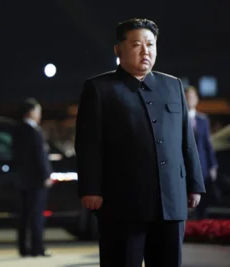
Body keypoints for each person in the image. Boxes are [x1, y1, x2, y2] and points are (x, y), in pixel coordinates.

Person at [75, 18, 205, 267]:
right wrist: (90, 188)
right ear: (118, 50)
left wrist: (194, 184)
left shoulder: (172, 85)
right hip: (122, 201)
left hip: (170, 200)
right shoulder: (100, 89)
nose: (146, 51)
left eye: (151, 44)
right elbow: (88, 143)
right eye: (137, 44)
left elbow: (186, 140)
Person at [12, 98, 54, 257]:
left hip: (22, 180)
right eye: (38, 111)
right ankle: (37, 248)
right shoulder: (33, 131)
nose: (39, 115)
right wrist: (46, 175)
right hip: (36, 181)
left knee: (23, 216)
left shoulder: (17, 130)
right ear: (31, 112)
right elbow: (40, 156)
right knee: (36, 216)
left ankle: (23, 248)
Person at [185, 86, 218, 219]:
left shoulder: (203, 120)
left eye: (193, 96)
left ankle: (201, 225)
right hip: (185, 165)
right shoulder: (177, 119)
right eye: (187, 96)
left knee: (203, 200)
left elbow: (208, 145)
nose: (190, 99)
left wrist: (213, 165)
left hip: (202, 165)